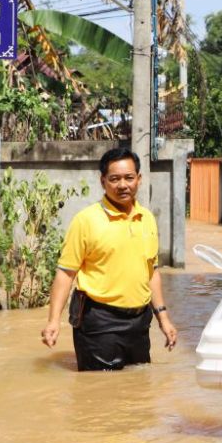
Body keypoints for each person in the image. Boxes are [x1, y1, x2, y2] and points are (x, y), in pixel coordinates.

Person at [41, 147, 178, 371]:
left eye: (129, 178)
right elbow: (66, 273)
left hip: (139, 322)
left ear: (139, 179)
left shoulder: (147, 219)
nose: (122, 185)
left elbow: (151, 271)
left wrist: (163, 318)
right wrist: (53, 321)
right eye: (114, 179)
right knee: (99, 394)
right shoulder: (86, 221)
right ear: (103, 181)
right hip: (99, 321)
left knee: (137, 389)